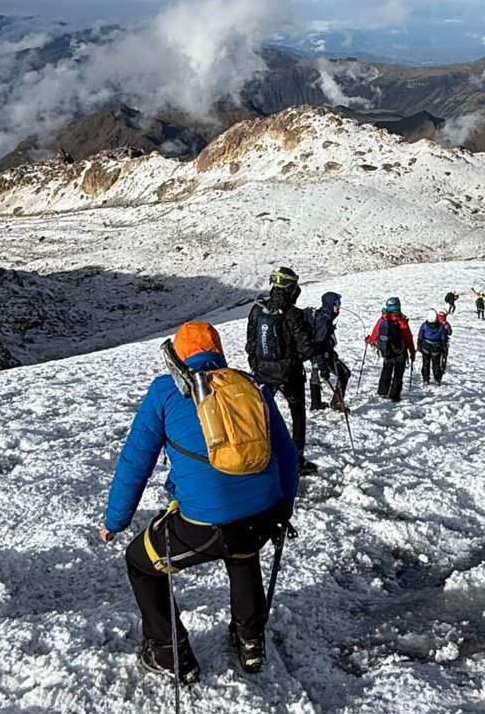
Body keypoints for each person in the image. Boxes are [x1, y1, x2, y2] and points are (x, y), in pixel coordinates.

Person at [101, 319, 298, 682]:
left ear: (179, 355)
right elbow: (286, 454)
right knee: (243, 550)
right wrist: (283, 509)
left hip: (205, 526)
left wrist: (116, 521)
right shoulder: (251, 387)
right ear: (218, 350)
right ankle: (250, 640)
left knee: (142, 563)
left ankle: (169, 652)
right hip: (262, 519)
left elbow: (135, 461)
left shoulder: (166, 391)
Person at [246, 265, 317, 472]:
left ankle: (259, 457)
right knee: (297, 415)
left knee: (262, 415)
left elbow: (251, 343)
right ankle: (297, 459)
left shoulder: (258, 309)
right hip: (289, 375)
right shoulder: (294, 314)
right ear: (292, 288)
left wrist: (256, 364)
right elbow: (305, 349)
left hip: (262, 373)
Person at [307, 290, 351, 413]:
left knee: (315, 374)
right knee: (344, 374)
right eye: (336, 302)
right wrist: (323, 366)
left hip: (318, 355)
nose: (339, 305)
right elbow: (319, 344)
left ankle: (316, 403)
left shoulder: (322, 315)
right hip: (324, 356)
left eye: (339, 302)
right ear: (329, 303)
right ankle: (337, 403)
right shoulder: (324, 320)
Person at [366, 296, 416, 402]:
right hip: (400, 351)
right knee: (398, 373)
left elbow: (375, 334)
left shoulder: (383, 320)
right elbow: (408, 338)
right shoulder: (402, 321)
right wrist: (412, 352)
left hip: (387, 351)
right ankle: (394, 395)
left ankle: (383, 391)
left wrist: (369, 340)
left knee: (387, 369)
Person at [417, 308, 451, 385]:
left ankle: (426, 379)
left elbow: (420, 335)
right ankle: (437, 379)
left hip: (426, 346)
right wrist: (443, 346)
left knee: (426, 363)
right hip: (437, 347)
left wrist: (419, 344)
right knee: (436, 364)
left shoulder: (424, 325)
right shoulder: (440, 326)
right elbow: (443, 338)